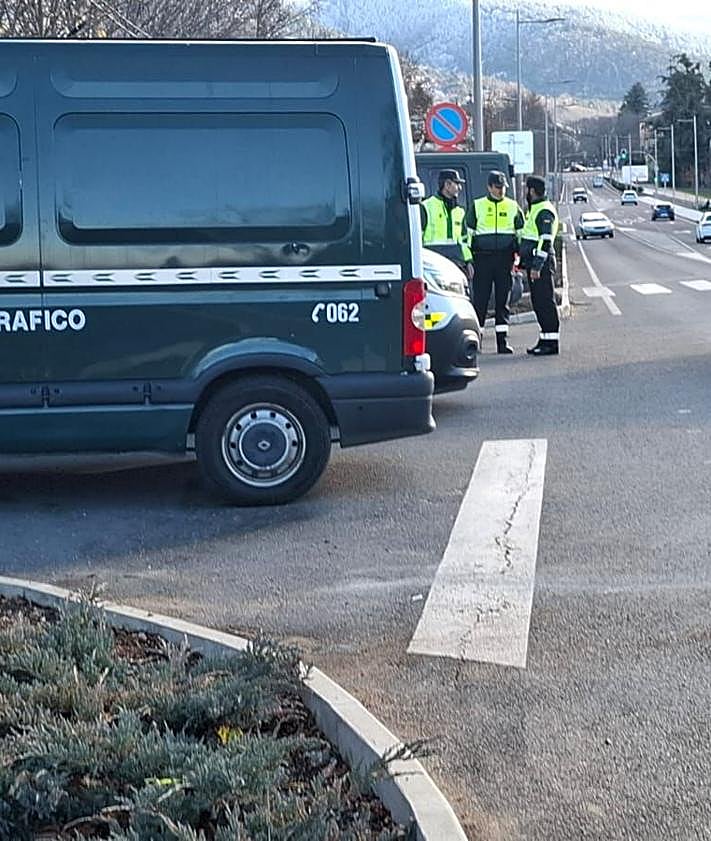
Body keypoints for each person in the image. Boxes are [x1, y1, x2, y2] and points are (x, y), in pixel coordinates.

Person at [466, 170, 524, 354]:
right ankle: (478, 341)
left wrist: (519, 257)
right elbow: (467, 236)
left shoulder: (513, 206)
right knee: (480, 301)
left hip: (504, 259)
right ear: (489, 187)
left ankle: (502, 342)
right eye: (498, 187)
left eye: (503, 187)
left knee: (503, 301)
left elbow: (521, 234)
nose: (501, 191)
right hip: (482, 259)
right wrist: (468, 260)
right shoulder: (477, 206)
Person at [519, 175, 560, 356]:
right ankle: (545, 339)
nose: (525, 192)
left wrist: (536, 266)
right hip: (535, 265)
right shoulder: (535, 209)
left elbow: (545, 241)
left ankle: (551, 343)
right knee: (539, 304)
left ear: (532, 191)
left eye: (526, 189)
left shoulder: (544, 211)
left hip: (541, 266)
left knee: (545, 303)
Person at [421, 169, 473, 279]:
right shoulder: (426, 206)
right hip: (432, 261)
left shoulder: (460, 211)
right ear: (447, 185)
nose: (460, 188)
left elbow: (464, 241)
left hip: (456, 262)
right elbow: (418, 237)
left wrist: (468, 261)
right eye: (457, 183)